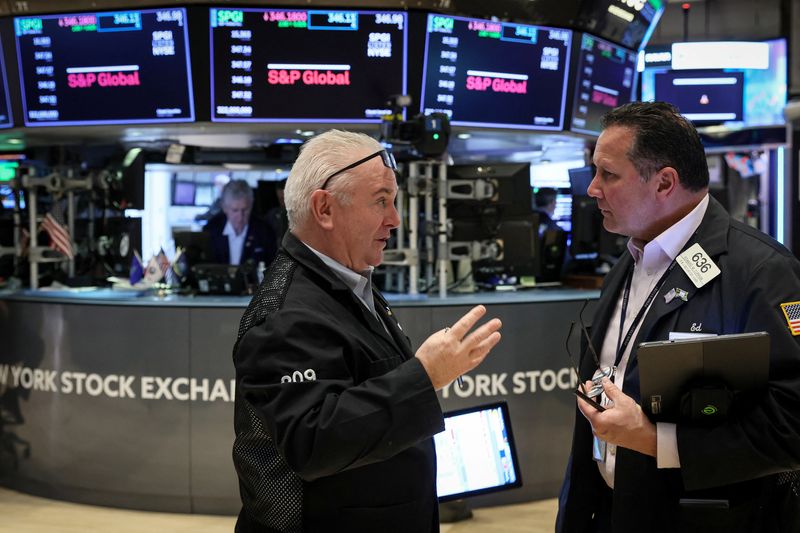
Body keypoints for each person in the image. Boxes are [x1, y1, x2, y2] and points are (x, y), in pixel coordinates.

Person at [231, 130, 503, 532]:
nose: (394, 219)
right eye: (381, 201)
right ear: (324, 208)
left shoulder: (351, 280)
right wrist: (424, 377)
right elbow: (311, 442)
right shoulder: (286, 314)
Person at [557, 102, 800, 533]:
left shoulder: (762, 271)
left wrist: (655, 442)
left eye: (608, 175)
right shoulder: (629, 260)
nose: (592, 189)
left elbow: (792, 424)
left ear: (664, 182)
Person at [204, 179, 276, 265]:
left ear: (251, 205)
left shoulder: (264, 231)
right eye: (235, 210)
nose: (240, 216)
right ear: (224, 208)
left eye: (245, 210)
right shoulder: (211, 230)